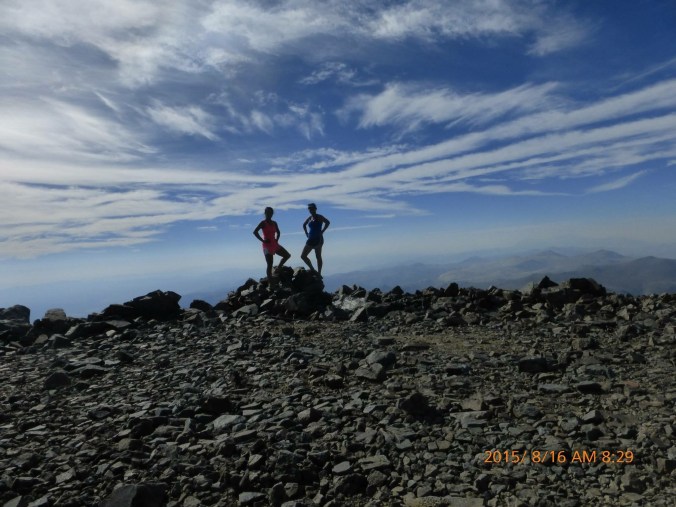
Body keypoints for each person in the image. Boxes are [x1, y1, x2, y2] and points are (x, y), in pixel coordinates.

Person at [253, 207, 291, 283]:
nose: (269, 214)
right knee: (270, 264)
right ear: (265, 213)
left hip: (274, 244)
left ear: (272, 213)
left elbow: (278, 232)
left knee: (287, 255)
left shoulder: (274, 223)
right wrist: (263, 240)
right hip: (266, 246)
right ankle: (271, 283)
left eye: (271, 213)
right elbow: (255, 232)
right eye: (267, 212)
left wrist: (276, 239)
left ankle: (278, 268)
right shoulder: (263, 223)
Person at [301, 202, 330, 276]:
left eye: (312, 208)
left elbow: (327, 222)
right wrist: (306, 233)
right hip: (311, 239)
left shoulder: (319, 217)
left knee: (318, 256)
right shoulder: (310, 218)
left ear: (315, 209)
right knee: (303, 256)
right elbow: (304, 225)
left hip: (318, 239)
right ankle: (313, 270)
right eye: (310, 209)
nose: (311, 210)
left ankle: (319, 273)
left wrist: (322, 231)